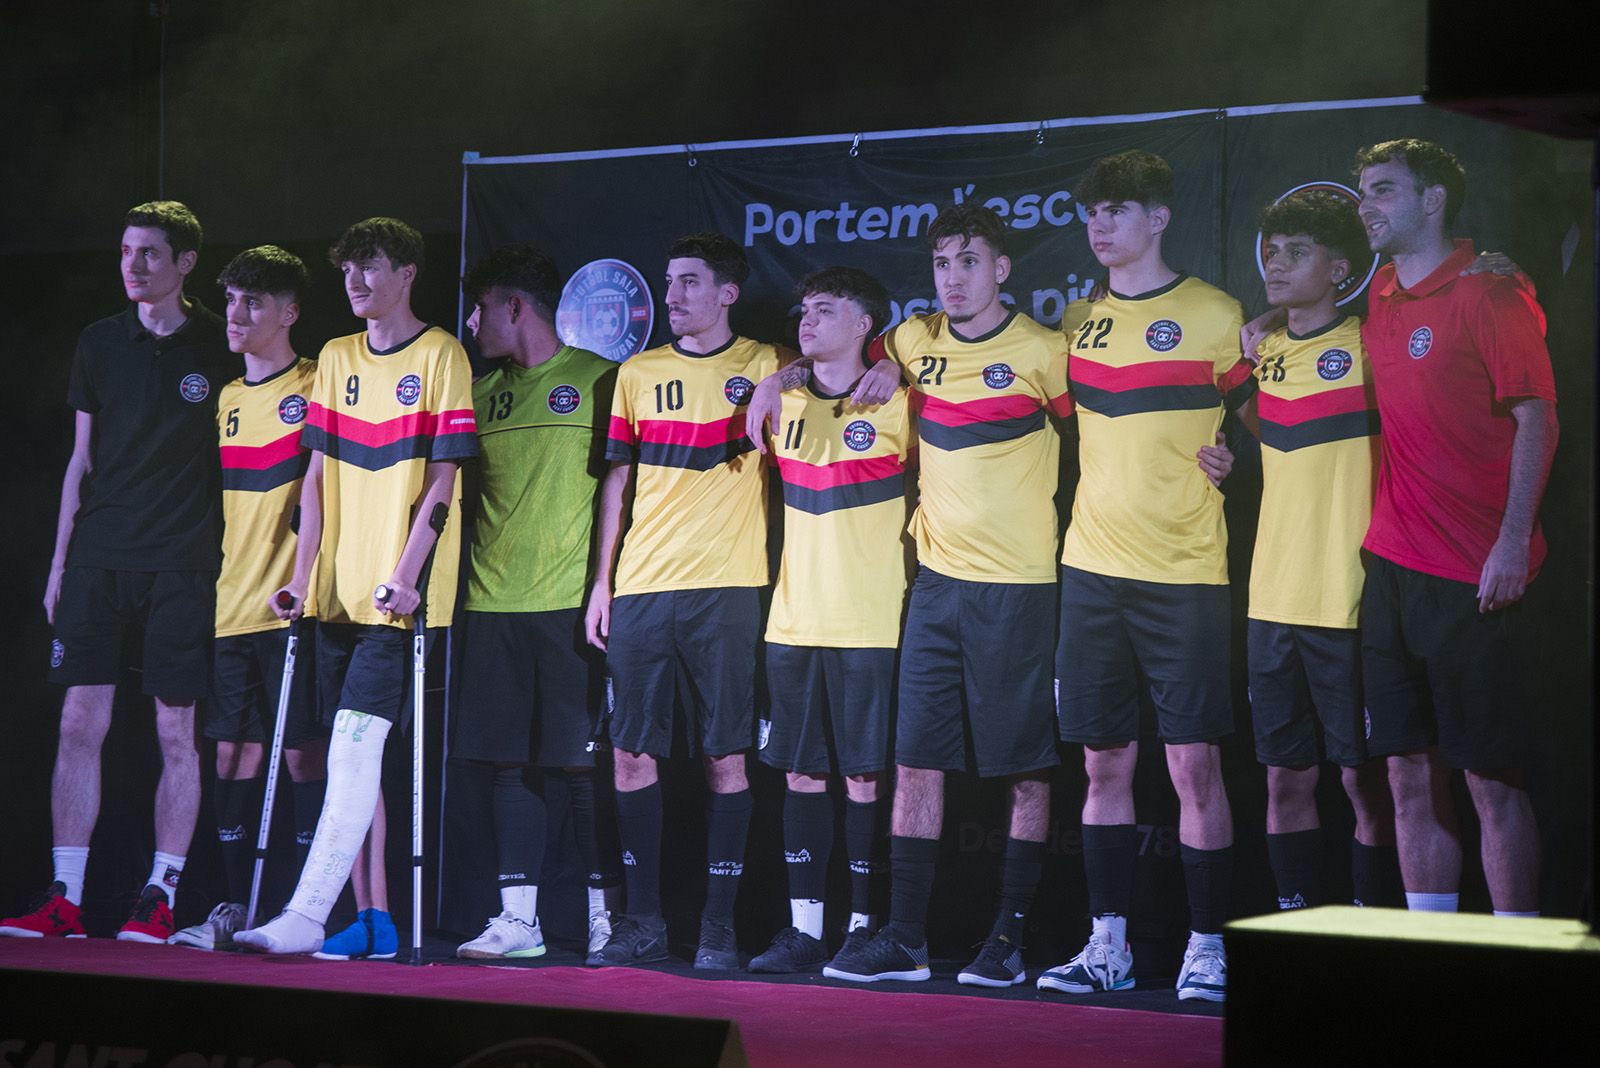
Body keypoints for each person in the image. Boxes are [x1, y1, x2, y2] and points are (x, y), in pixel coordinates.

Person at [751, 205, 1072, 988]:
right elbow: (841, 361)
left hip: (1020, 585)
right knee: (915, 760)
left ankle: (1009, 935)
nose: (953, 278)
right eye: (941, 264)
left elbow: (1097, 449)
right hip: (932, 585)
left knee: (1023, 767)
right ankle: (905, 938)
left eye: (969, 261)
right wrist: (780, 375)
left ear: (1002, 268)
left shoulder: (1044, 351)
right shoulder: (912, 342)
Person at [1036, 150, 1252, 1003]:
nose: (1100, 225)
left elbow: (1268, 410)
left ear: (1158, 219)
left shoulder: (1215, 313)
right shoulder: (1077, 317)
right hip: (1091, 571)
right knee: (1103, 767)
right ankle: (1108, 948)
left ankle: (1208, 949)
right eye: (1093, 212)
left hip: (1187, 573)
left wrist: (1241, 457)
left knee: (1195, 768)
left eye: (1118, 210)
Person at [234, 217, 479, 956]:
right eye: (346, 271)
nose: (354, 283)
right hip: (332, 598)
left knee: (350, 752)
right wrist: (300, 579)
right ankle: (366, 920)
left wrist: (407, 578)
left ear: (406, 273)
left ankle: (305, 917)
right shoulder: (336, 357)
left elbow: (444, 478)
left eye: (369, 268)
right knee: (346, 760)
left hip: (396, 607)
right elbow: (312, 481)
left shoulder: (441, 354)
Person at [3, 202, 237, 942]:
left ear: (186, 263)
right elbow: (82, 458)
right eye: (127, 252)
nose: (135, 266)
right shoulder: (100, 342)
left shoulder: (219, 343)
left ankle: (160, 896)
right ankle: (62, 897)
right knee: (79, 721)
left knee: (176, 730)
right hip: (101, 558)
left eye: (150, 254)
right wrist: (60, 559)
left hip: (183, 561)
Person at [1351, 139, 1557, 918]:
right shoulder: (1383, 298)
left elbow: (1539, 418)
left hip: (1476, 573)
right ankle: (1430, 950)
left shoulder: (1492, 293)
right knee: (1406, 772)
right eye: (1362, 189)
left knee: (1489, 780)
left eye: (1383, 190)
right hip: (1393, 569)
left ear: (1433, 200)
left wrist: (1513, 539)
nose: (1366, 203)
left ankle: (1517, 963)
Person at [585, 232, 784, 970]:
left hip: (727, 590)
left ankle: (720, 928)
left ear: (727, 293)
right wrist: (603, 582)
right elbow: (618, 482)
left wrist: (779, 379)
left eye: (690, 282)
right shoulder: (638, 371)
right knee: (631, 754)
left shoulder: (763, 362)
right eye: (670, 282)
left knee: (723, 758)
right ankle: (642, 923)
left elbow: (831, 365)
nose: (672, 296)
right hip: (641, 587)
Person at [451, 245, 621, 962]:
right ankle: (518, 921)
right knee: (505, 765)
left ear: (514, 306)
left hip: (569, 606)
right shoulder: (478, 395)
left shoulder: (601, 380)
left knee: (580, 767)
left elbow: (623, 490)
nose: (470, 321)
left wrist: (603, 585)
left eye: (481, 306)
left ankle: (605, 914)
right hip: (492, 607)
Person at [746, 267, 910, 974]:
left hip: (872, 622)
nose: (807, 320)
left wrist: (896, 369)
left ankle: (864, 927)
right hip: (792, 622)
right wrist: (769, 382)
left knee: (866, 781)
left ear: (865, 325)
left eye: (826, 309)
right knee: (801, 776)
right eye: (804, 309)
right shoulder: (781, 402)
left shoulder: (904, 404)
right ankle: (804, 929)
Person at [1237, 192, 1398, 912]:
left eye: (1295, 251)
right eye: (1272, 250)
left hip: (1350, 596)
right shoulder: (1258, 353)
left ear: (1339, 269)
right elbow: (1261, 437)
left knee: (1365, 779)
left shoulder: (1372, 343)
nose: (1275, 261)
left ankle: (1372, 926)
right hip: (1271, 599)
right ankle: (1296, 921)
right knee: (1283, 778)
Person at [170, 246, 329, 950]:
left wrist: (304, 574)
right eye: (231, 299)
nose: (235, 314)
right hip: (229, 607)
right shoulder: (228, 400)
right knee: (233, 756)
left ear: (289, 312)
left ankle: (303, 910)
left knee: (301, 757)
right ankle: (236, 907)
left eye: (253, 302)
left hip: (296, 608)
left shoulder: (321, 382)